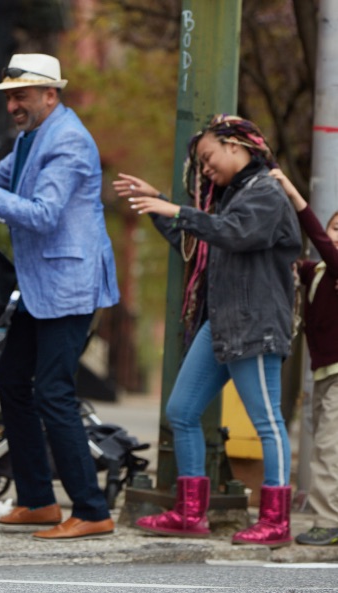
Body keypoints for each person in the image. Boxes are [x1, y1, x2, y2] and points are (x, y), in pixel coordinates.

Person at [0, 53, 120, 540]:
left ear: (50, 94)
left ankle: (91, 509)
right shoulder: (32, 137)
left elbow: (43, 214)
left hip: (70, 286)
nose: (13, 106)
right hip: (44, 286)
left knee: (53, 392)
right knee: (12, 381)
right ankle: (38, 501)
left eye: (21, 96)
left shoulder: (67, 141)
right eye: (9, 97)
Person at [114, 114, 300, 547]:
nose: (204, 168)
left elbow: (235, 234)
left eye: (207, 156)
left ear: (235, 146)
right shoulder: (236, 196)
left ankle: (276, 521)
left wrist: (178, 209)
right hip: (222, 323)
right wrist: (157, 203)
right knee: (181, 411)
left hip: (254, 325)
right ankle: (190, 513)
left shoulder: (267, 192)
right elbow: (200, 243)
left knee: (267, 421)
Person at [269, 170, 338, 546]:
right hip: (324, 372)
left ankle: (329, 522)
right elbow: (293, 259)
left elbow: (320, 243)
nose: (336, 236)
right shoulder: (318, 271)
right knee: (328, 445)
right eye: (335, 227)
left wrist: (294, 196)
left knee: (327, 448)